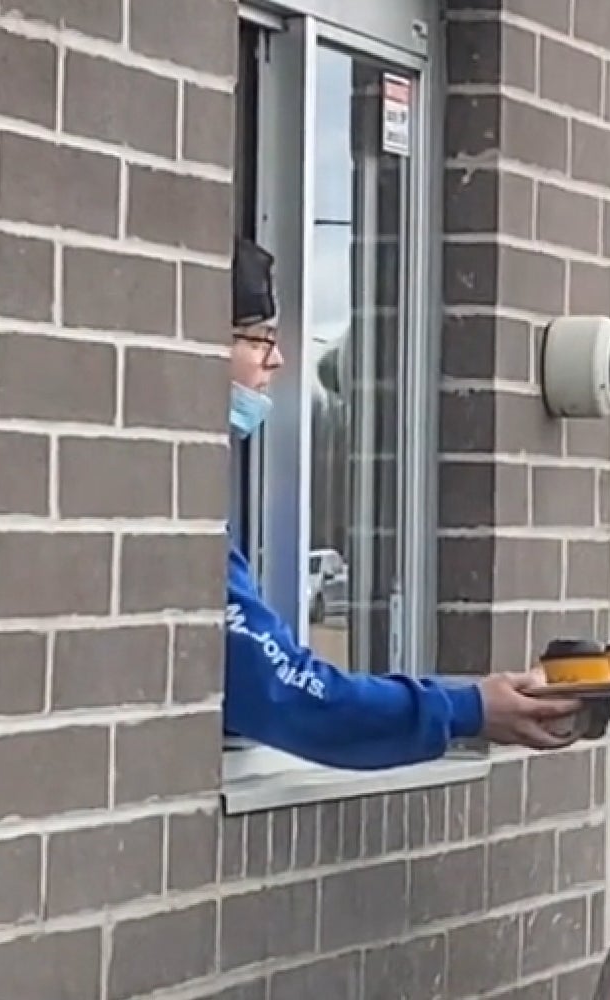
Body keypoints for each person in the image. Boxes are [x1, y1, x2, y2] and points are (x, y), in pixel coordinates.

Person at [222, 238, 579, 769]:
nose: (276, 358)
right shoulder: (159, 505)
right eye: (257, 338)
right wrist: (466, 708)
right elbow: (284, 692)